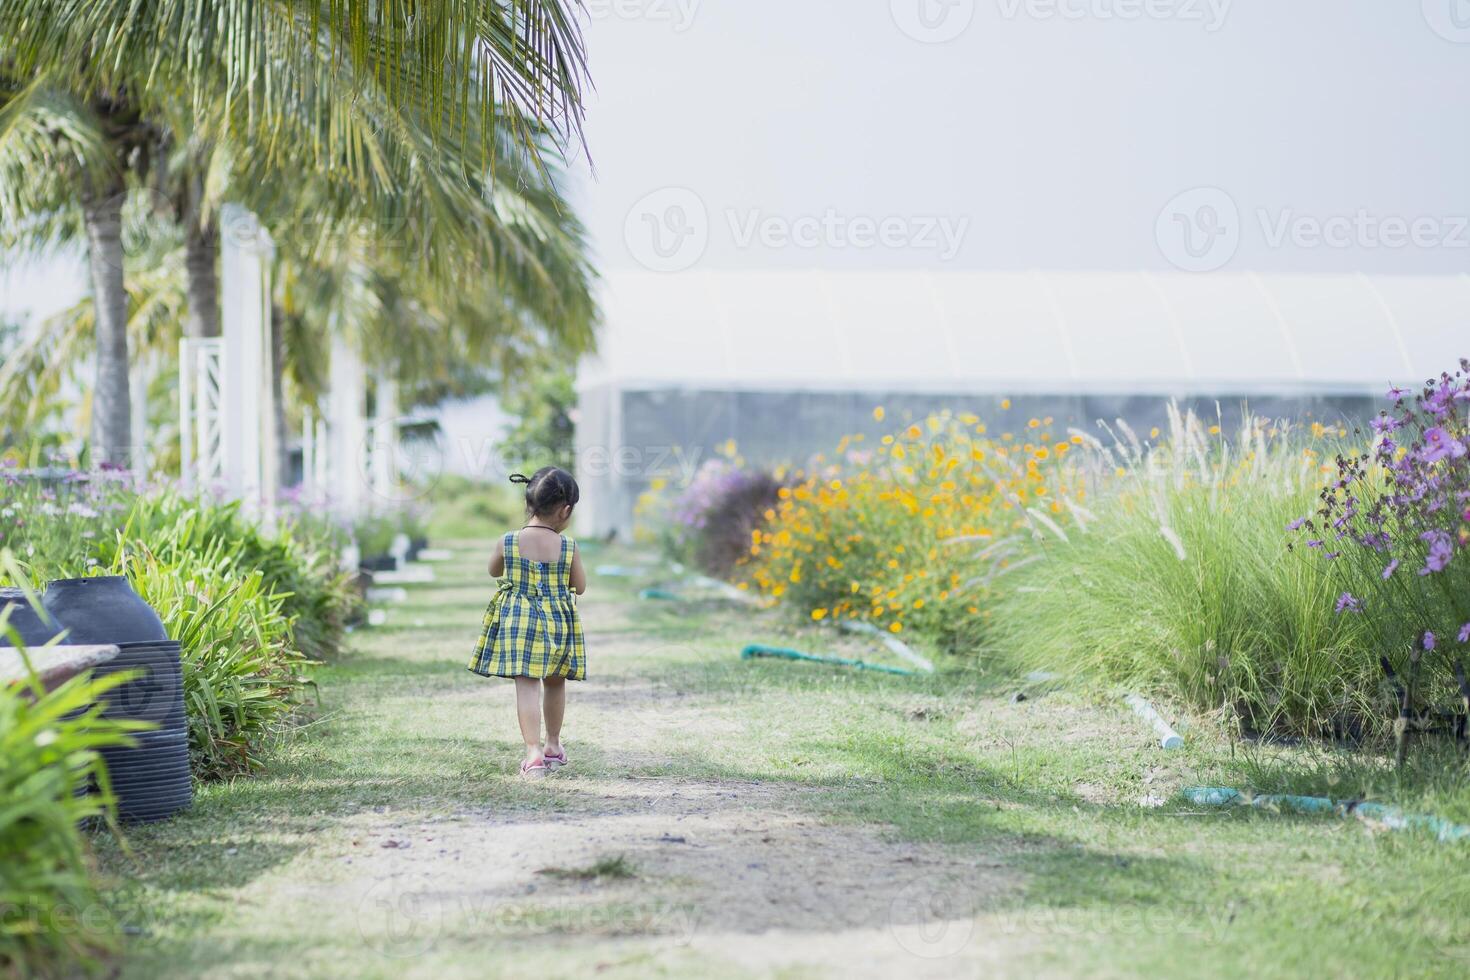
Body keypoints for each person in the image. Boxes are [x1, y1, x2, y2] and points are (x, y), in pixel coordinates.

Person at [467, 467, 587, 778]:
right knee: (555, 681)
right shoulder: (569, 547)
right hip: (557, 624)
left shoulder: (508, 541)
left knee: (527, 687)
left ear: (529, 503)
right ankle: (553, 745)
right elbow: (581, 586)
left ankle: (533, 753)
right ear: (566, 510)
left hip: (519, 624)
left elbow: (494, 571)